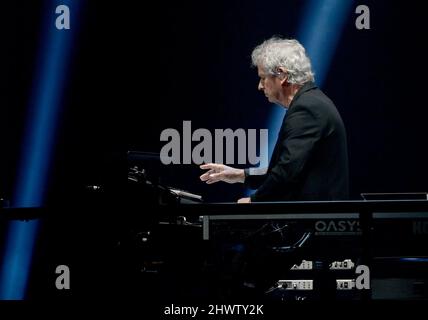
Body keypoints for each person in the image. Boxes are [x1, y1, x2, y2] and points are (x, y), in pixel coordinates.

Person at [200, 37, 349, 203]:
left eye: (263, 78)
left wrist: (254, 201)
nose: (260, 86)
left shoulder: (307, 109)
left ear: (282, 74)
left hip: (315, 222)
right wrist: (239, 175)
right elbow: (286, 168)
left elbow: (287, 171)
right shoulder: (310, 102)